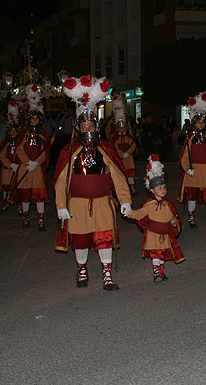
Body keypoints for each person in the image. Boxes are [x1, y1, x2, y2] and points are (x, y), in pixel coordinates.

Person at [55, 75, 132, 291]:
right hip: (78, 204)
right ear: (78, 128)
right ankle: (82, 269)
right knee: (80, 239)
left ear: (97, 128)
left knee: (104, 238)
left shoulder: (106, 149)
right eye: (84, 126)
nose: (88, 130)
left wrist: (125, 200)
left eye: (92, 126)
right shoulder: (68, 151)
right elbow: (61, 181)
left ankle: (107, 273)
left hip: (102, 202)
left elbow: (118, 175)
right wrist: (61, 205)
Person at [128, 154, 184, 283]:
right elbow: (139, 214)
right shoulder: (149, 205)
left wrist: (174, 223)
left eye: (164, 188)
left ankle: (161, 269)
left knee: (163, 253)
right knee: (155, 253)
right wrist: (128, 212)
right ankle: (156, 271)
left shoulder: (168, 204)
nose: (163, 190)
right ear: (152, 190)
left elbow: (171, 216)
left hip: (165, 234)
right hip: (153, 234)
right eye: (159, 188)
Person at [178, 92, 206, 230]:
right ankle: (191, 219)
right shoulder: (190, 139)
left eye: (202, 122)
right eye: (198, 122)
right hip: (194, 171)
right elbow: (184, 157)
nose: (200, 124)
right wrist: (187, 168)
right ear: (194, 123)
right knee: (192, 196)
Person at [15, 85, 51, 231]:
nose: (34, 122)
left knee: (39, 195)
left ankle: (41, 220)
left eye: (36, 119)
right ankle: (25, 218)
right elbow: (19, 150)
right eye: (32, 119)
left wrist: (36, 162)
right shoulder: (23, 133)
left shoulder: (43, 133)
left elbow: (45, 151)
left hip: (36, 169)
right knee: (25, 195)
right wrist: (27, 162)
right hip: (25, 167)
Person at [110, 94, 138, 194]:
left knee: (130, 174)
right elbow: (114, 147)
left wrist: (128, 153)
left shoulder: (128, 136)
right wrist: (121, 155)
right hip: (120, 159)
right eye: (120, 128)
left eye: (123, 128)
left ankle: (132, 187)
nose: (122, 129)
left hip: (128, 158)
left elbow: (133, 145)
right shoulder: (115, 138)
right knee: (121, 174)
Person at [0, 101, 22, 214]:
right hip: (8, 169)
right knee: (6, 187)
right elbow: (2, 156)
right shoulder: (5, 142)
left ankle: (19, 204)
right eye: (11, 132)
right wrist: (9, 164)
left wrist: (18, 165)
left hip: (17, 168)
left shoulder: (20, 143)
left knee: (17, 187)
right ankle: (6, 202)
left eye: (15, 131)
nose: (13, 134)